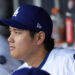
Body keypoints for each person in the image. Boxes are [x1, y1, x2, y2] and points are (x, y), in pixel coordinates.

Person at [0, 5, 75, 75]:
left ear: (39, 37)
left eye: (17, 32)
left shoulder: (70, 62)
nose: (10, 39)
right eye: (11, 32)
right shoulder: (19, 72)